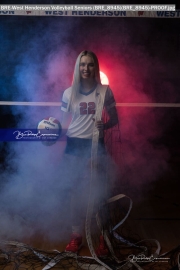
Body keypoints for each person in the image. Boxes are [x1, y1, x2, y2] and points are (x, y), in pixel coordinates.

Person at [60, 50, 119, 256]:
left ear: (96, 67)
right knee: (75, 194)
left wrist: (105, 125)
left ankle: (103, 237)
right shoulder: (69, 93)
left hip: (96, 146)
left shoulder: (105, 91)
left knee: (99, 193)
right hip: (74, 146)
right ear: (77, 67)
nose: (86, 68)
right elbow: (65, 122)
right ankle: (76, 236)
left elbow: (115, 120)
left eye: (90, 64)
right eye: (82, 64)